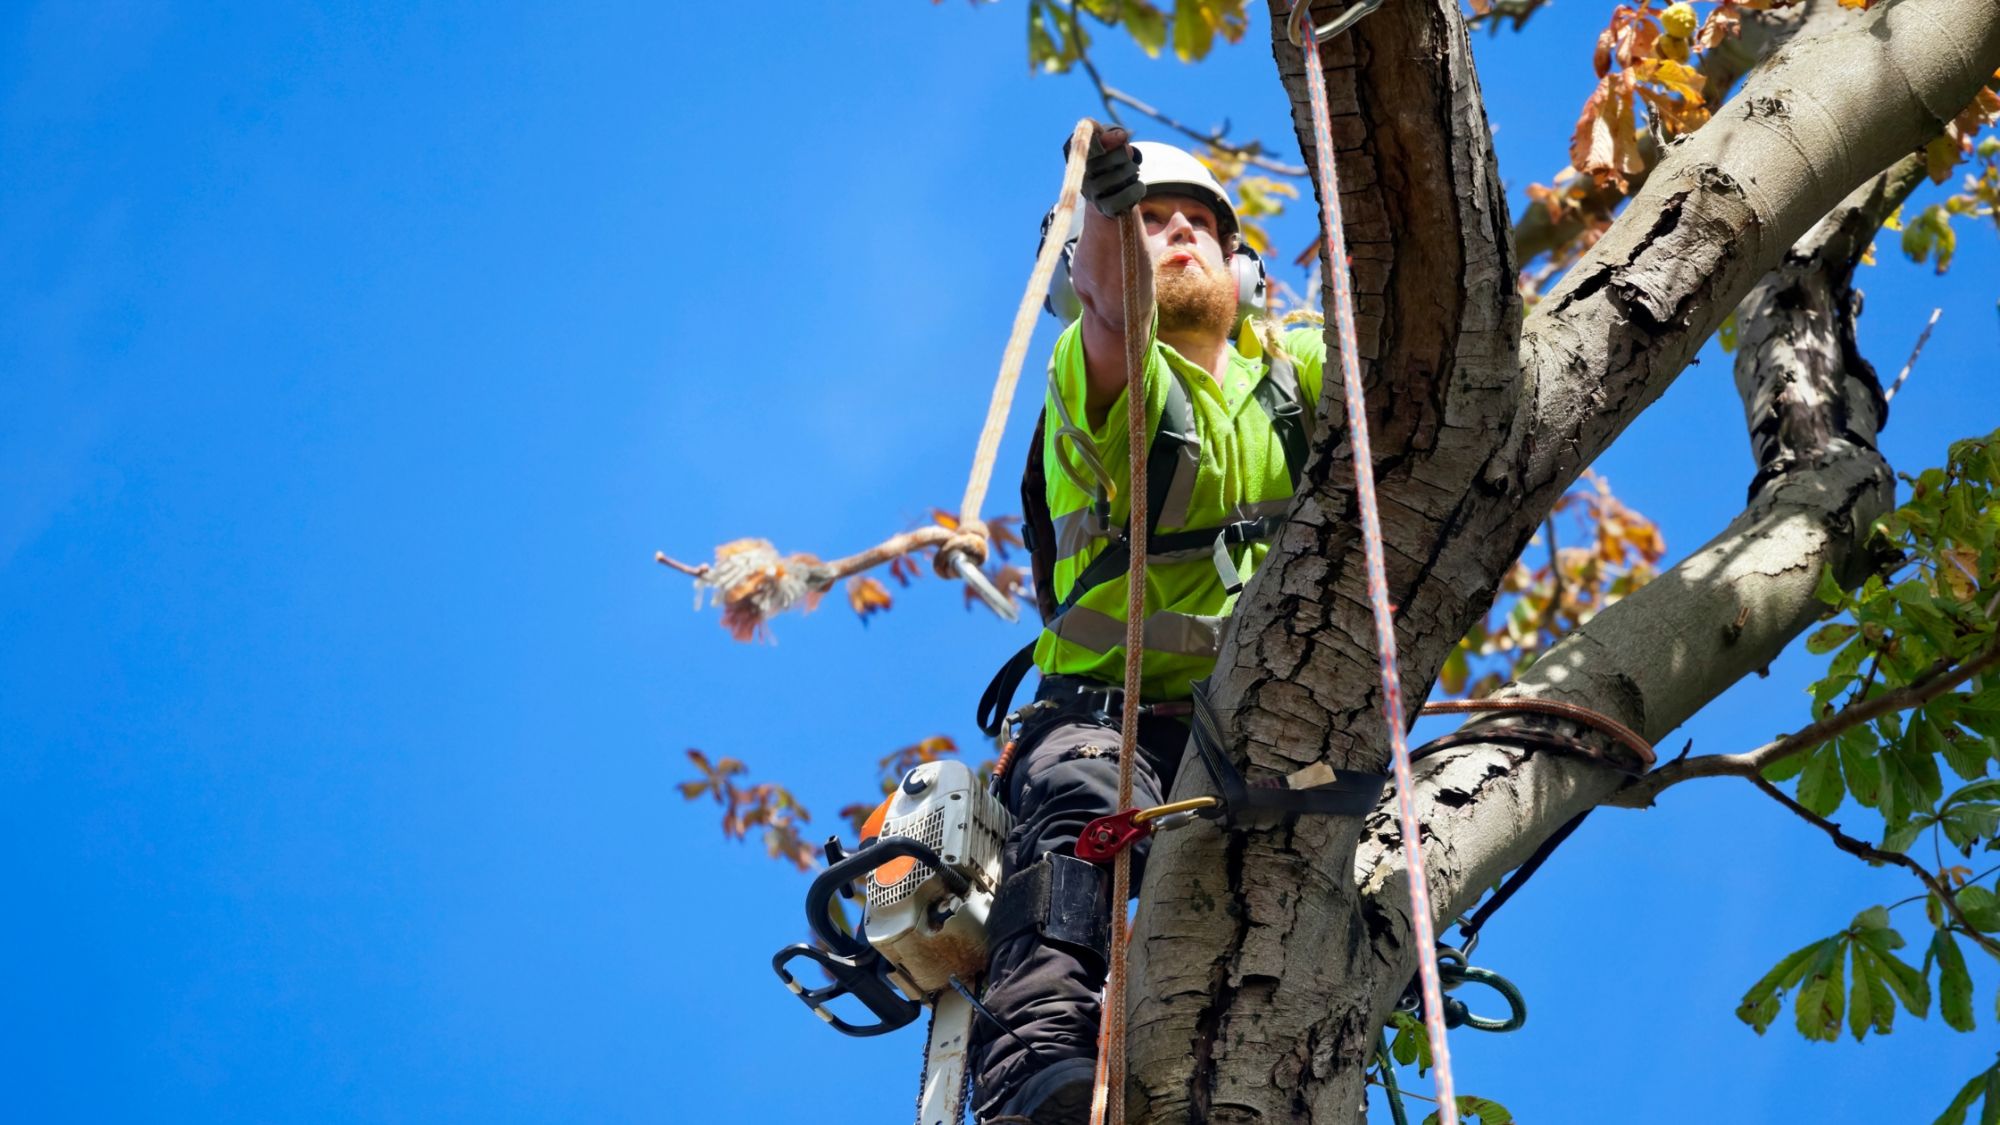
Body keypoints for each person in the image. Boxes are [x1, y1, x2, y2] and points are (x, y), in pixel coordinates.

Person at [972, 125, 1333, 1124]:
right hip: (1107, 718)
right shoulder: (1096, 375)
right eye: (1150, 221)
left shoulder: (1292, 374)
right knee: (1083, 824)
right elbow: (1111, 299)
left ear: (1243, 268)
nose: (1173, 233)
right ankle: (1035, 1072)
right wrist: (1105, 204)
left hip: (1267, 730)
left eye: (1199, 224)